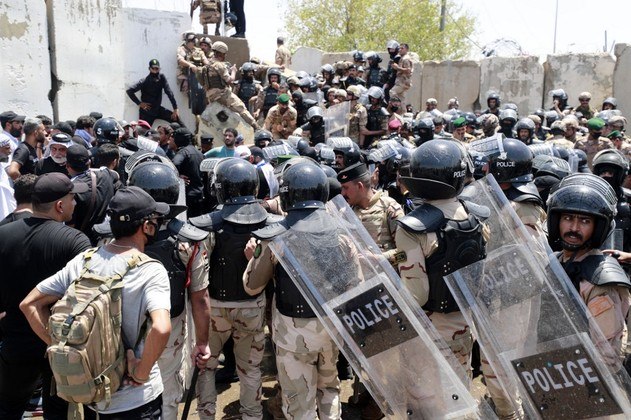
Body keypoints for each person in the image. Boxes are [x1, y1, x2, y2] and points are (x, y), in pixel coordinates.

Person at [20, 186, 172, 418]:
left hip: (92, 396)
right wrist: (141, 373)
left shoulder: (84, 260)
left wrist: (61, 346)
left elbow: (29, 304)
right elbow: (161, 328)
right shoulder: (150, 270)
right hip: (136, 401)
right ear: (146, 226)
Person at [395, 140, 497, 416]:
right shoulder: (476, 215)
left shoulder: (412, 228)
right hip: (464, 322)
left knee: (426, 403)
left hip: (429, 330)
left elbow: (415, 295)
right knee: (457, 396)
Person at [243, 161, 342, 419]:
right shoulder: (343, 230)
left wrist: (253, 258)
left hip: (292, 334)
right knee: (330, 391)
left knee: (299, 403)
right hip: (332, 328)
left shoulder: (276, 237)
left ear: (286, 195)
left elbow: (252, 286)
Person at [190, 158, 277, 420]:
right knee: (250, 370)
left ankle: (206, 415)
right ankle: (252, 415)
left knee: (206, 366)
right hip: (253, 307)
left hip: (214, 306)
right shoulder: (271, 223)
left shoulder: (207, 224)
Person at [0, 173, 91, 419]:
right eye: (73, 198)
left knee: (8, 408)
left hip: (14, 341)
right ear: (60, 205)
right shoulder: (75, 241)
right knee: (59, 412)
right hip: (59, 344)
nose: (76, 203)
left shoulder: (4, 234)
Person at [126, 162, 211, 420]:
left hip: (126, 329)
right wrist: (203, 343)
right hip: (170, 328)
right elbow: (200, 298)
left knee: (129, 393)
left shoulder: (115, 238)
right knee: (168, 397)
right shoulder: (190, 241)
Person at [547, 174, 631, 360]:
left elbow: (607, 355)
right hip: (546, 369)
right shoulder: (553, 262)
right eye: (568, 218)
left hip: (581, 379)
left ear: (598, 227)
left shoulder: (599, 280)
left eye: (585, 221)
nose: (574, 228)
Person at [338, 162, 404, 265]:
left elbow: (405, 254)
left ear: (359, 186)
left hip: (387, 279)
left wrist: (381, 259)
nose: (342, 193)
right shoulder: (345, 213)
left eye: (346, 188)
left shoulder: (389, 208)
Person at [198, 42, 259, 130]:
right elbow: (230, 80)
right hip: (222, 94)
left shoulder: (207, 65)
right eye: (224, 53)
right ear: (221, 53)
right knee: (241, 108)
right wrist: (233, 70)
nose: (225, 55)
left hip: (210, 96)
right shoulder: (219, 65)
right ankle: (255, 126)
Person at [66, 144, 120, 243]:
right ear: (89, 162)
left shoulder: (70, 191)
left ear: (67, 165)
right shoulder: (106, 174)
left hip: (82, 244)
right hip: (107, 240)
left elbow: (70, 226)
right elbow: (116, 175)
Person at [126, 59, 181, 126]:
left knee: (176, 120)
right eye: (153, 68)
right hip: (146, 112)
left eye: (157, 68)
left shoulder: (162, 78)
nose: (155, 71)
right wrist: (139, 103)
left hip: (158, 109)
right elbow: (129, 91)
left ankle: (190, 136)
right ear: (149, 69)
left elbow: (169, 92)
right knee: (142, 134)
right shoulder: (144, 81)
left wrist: (175, 108)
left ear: (159, 69)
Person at [170, 128, 205, 217]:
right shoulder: (199, 153)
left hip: (186, 197)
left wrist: (177, 176)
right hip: (199, 195)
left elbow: (175, 163)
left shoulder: (184, 151)